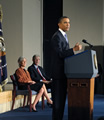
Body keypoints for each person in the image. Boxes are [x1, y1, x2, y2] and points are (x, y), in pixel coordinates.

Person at [50, 16, 82, 120]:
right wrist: (73, 49)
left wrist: (72, 51)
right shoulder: (57, 36)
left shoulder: (63, 36)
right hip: (58, 74)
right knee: (58, 102)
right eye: (65, 22)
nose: (68, 24)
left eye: (69, 22)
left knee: (62, 100)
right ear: (59, 24)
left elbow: (64, 54)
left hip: (63, 73)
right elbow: (59, 53)